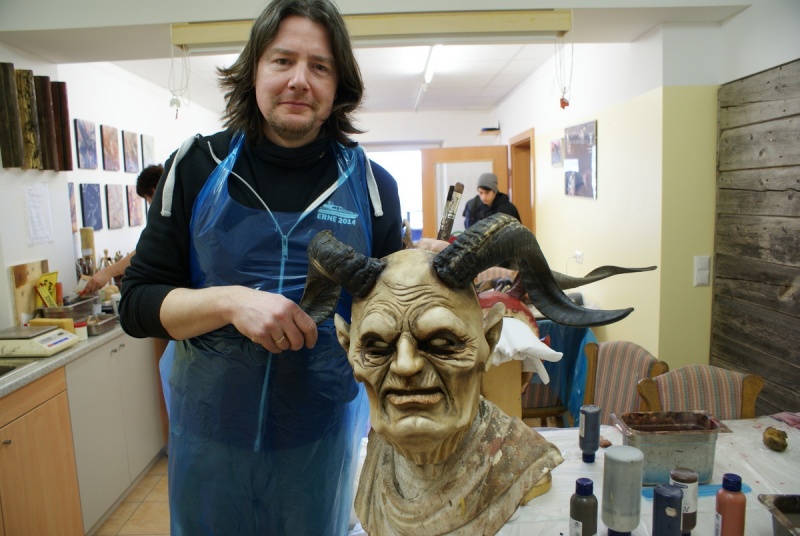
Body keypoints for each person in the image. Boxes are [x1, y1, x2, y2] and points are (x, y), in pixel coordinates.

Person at [118, 0, 402, 533]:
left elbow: (392, 315)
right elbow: (136, 304)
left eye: (319, 66)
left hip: (319, 444)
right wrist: (231, 301)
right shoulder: (196, 166)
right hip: (210, 442)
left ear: (338, 86)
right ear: (254, 72)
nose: (299, 80)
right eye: (282, 61)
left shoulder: (372, 187)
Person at [80, 164, 163, 294]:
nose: (149, 205)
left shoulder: (166, 215)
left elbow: (146, 250)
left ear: (153, 191)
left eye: (147, 200)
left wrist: (106, 273)